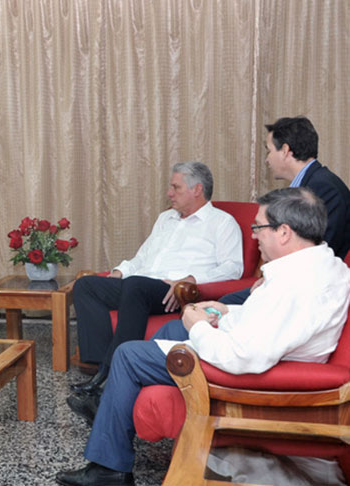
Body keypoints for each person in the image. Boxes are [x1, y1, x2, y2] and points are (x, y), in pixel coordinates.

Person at [56, 187, 350, 486]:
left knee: (129, 355)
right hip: (259, 350)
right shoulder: (322, 263)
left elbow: (244, 356)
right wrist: (224, 312)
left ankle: (109, 469)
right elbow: (270, 324)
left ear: (284, 232)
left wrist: (198, 326)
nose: (253, 236)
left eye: (258, 227)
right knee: (172, 328)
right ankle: (116, 412)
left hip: (254, 374)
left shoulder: (296, 285)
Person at [67, 162, 243, 422]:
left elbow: (233, 269)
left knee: (136, 285)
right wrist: (117, 273)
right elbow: (142, 259)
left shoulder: (222, 223)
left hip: (177, 293)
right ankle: (98, 371)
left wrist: (190, 280)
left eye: (175, 187)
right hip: (138, 286)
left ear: (197, 189)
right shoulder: (166, 218)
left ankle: (105, 384)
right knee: (86, 285)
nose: (169, 193)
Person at [221, 116, 350, 305]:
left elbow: (318, 252)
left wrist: (272, 279)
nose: (266, 160)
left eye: (269, 151)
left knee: (226, 305)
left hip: (306, 291)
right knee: (225, 303)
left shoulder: (323, 189)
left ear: (285, 150)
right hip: (290, 282)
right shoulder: (308, 184)